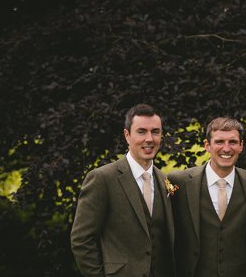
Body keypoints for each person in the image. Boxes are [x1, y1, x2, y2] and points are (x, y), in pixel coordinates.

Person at [71, 103, 175, 277]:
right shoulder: (102, 178)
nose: (149, 139)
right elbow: (82, 240)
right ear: (127, 135)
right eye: (141, 132)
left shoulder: (165, 180)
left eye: (155, 132)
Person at [167, 117, 246, 277]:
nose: (226, 148)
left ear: (241, 146)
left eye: (232, 142)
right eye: (219, 142)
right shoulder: (180, 183)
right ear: (207, 145)